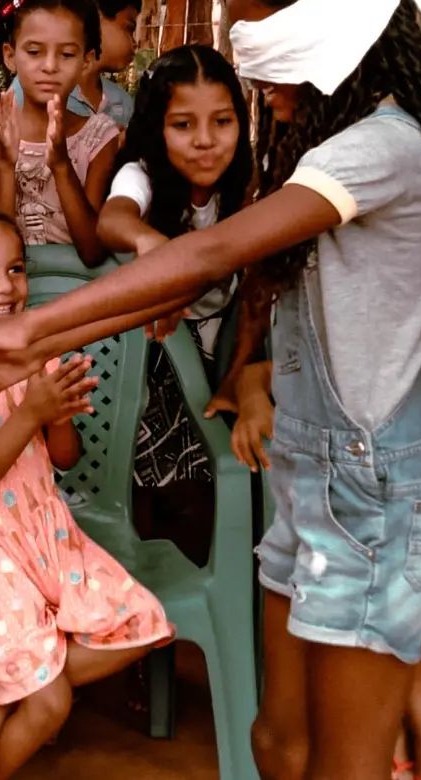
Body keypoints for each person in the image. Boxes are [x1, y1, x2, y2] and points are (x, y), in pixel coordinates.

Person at [0, 0, 421, 779]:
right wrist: (14, 344)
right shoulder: (326, 147)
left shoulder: (376, 148)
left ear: (334, 34)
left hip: (371, 489)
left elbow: (215, 249)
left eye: (266, 46)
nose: (251, 73)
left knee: (347, 763)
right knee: (279, 744)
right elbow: (188, 283)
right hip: (313, 482)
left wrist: (28, 326)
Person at [0, 204, 172, 780]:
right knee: (51, 702)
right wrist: (30, 416)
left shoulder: (34, 354)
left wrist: (55, 410)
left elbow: (64, 458)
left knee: (144, 626)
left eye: (16, 269)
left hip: (45, 536)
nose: (6, 286)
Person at [97, 44, 252, 562]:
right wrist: (153, 244)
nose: (205, 142)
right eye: (183, 125)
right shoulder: (141, 175)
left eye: (222, 122)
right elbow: (113, 219)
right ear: (156, 129)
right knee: (152, 501)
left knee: (205, 509)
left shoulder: (246, 191)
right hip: (146, 362)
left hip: (219, 364)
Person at [0, 0, 120, 266]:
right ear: (10, 56)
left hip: (78, 289)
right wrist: (5, 164)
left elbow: (92, 252)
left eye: (67, 54)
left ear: (86, 62)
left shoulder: (99, 137)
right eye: (34, 52)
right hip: (7, 289)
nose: (49, 67)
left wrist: (61, 164)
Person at [9, 0, 141, 127]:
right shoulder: (31, 89)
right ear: (94, 20)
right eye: (129, 28)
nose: (134, 42)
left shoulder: (121, 101)